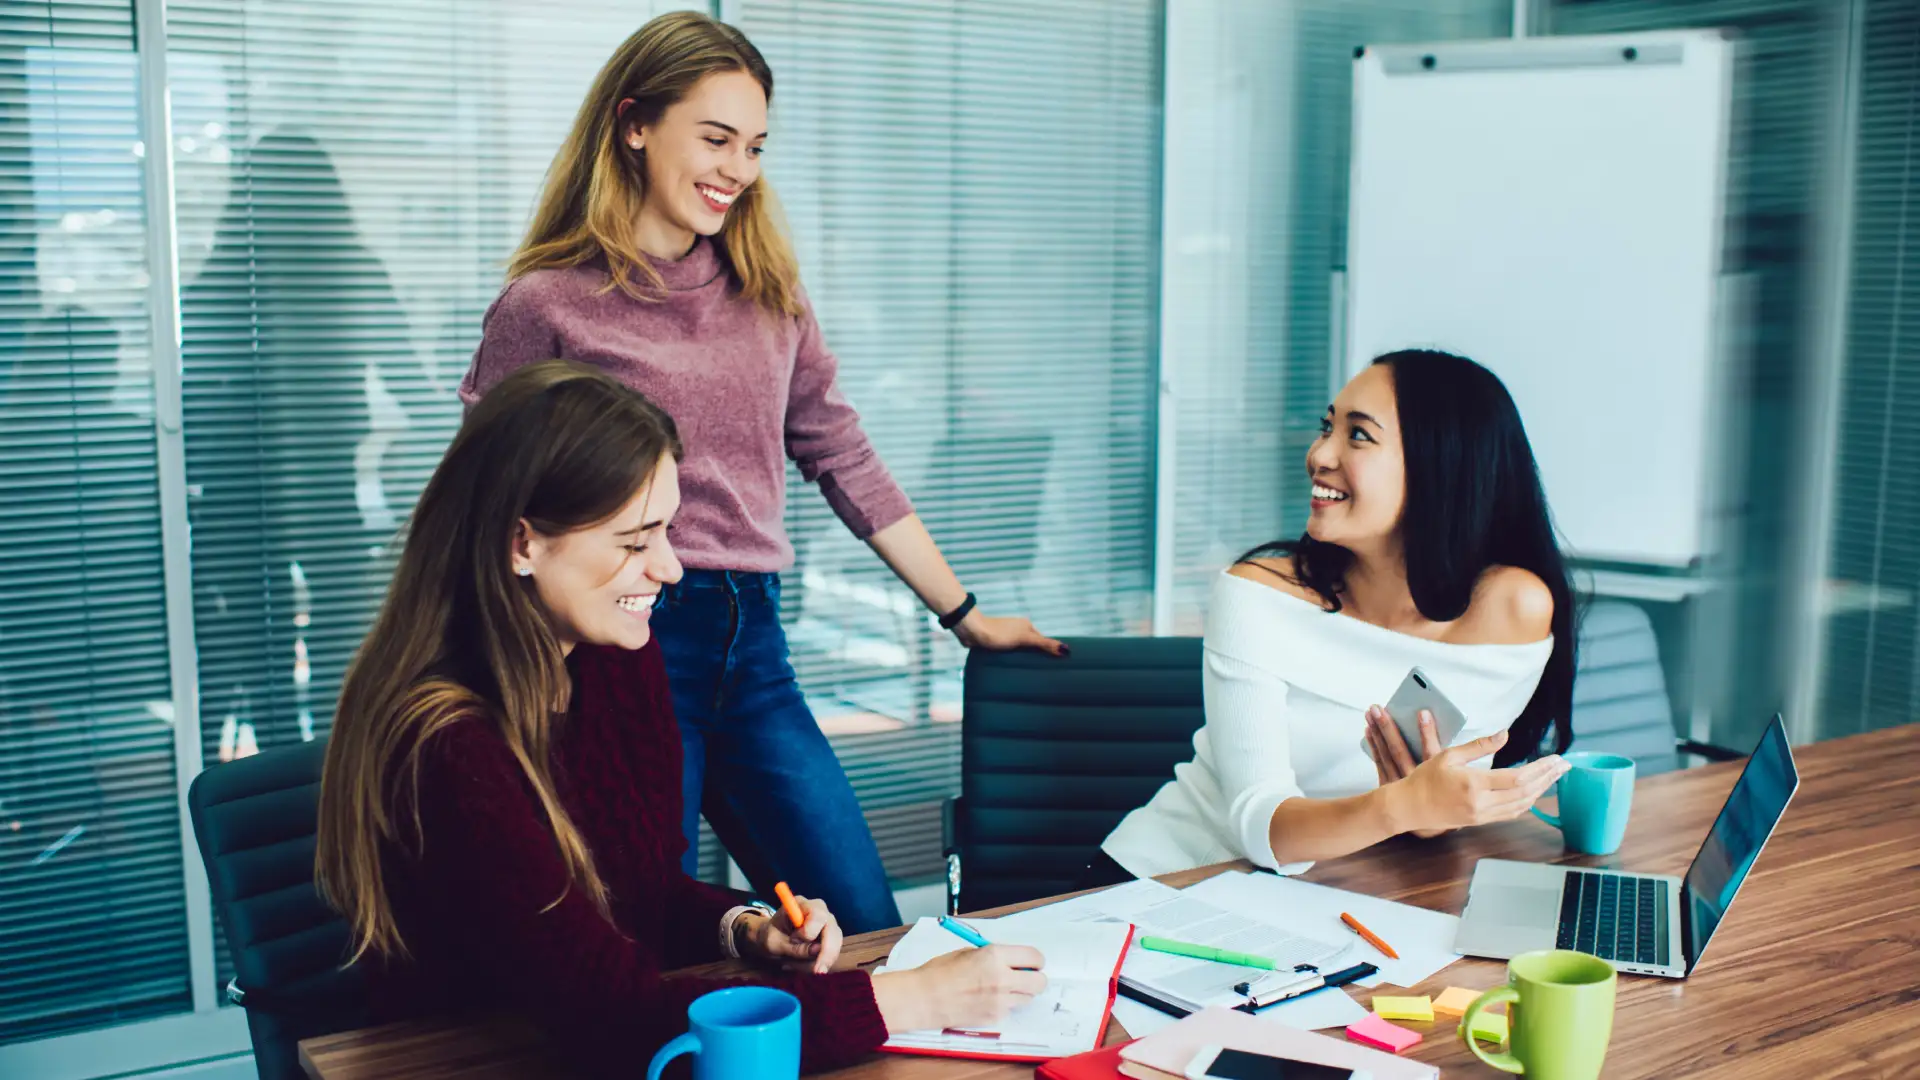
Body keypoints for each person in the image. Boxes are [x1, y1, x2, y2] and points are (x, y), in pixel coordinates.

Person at [459, 11, 1062, 934]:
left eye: (754, 146)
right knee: (652, 935)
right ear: (633, 124)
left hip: (755, 645)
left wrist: (964, 614)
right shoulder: (547, 305)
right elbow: (484, 509)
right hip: (624, 651)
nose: (737, 168)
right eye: (714, 138)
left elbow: (839, 451)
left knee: (862, 927)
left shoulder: (768, 290)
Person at [314, 361, 1048, 1073]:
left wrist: (747, 929)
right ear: (522, 542)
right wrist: (911, 996)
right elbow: (619, 1025)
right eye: (635, 542)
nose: (669, 569)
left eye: (666, 531)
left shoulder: (612, 660)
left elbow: (642, 893)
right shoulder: (448, 748)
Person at [1086, 349, 1578, 887]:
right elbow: (1259, 825)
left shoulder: (1511, 608)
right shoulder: (1258, 594)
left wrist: (1428, 810)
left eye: (1359, 435)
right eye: (1328, 427)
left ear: (1441, 465)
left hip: (1341, 893)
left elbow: (1442, 802)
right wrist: (1401, 806)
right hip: (1170, 881)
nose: (1319, 453)